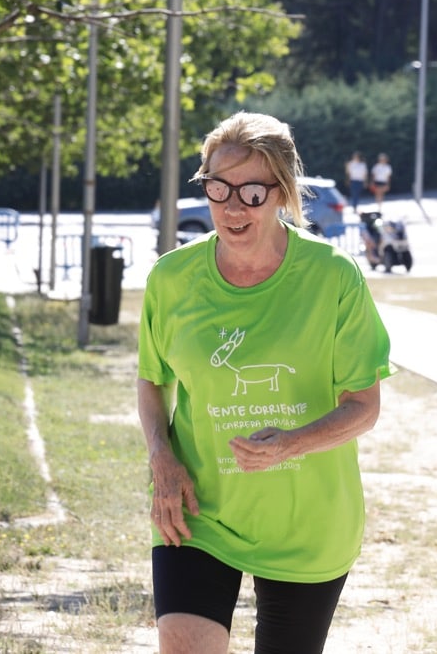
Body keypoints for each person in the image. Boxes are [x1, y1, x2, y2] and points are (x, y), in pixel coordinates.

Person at [137, 111, 394, 654]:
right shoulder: (171, 280)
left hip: (307, 523)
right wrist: (161, 456)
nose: (232, 208)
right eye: (218, 188)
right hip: (200, 512)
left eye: (252, 193)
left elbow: (364, 406)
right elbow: (152, 380)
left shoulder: (333, 277)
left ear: (281, 193)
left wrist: (291, 444)